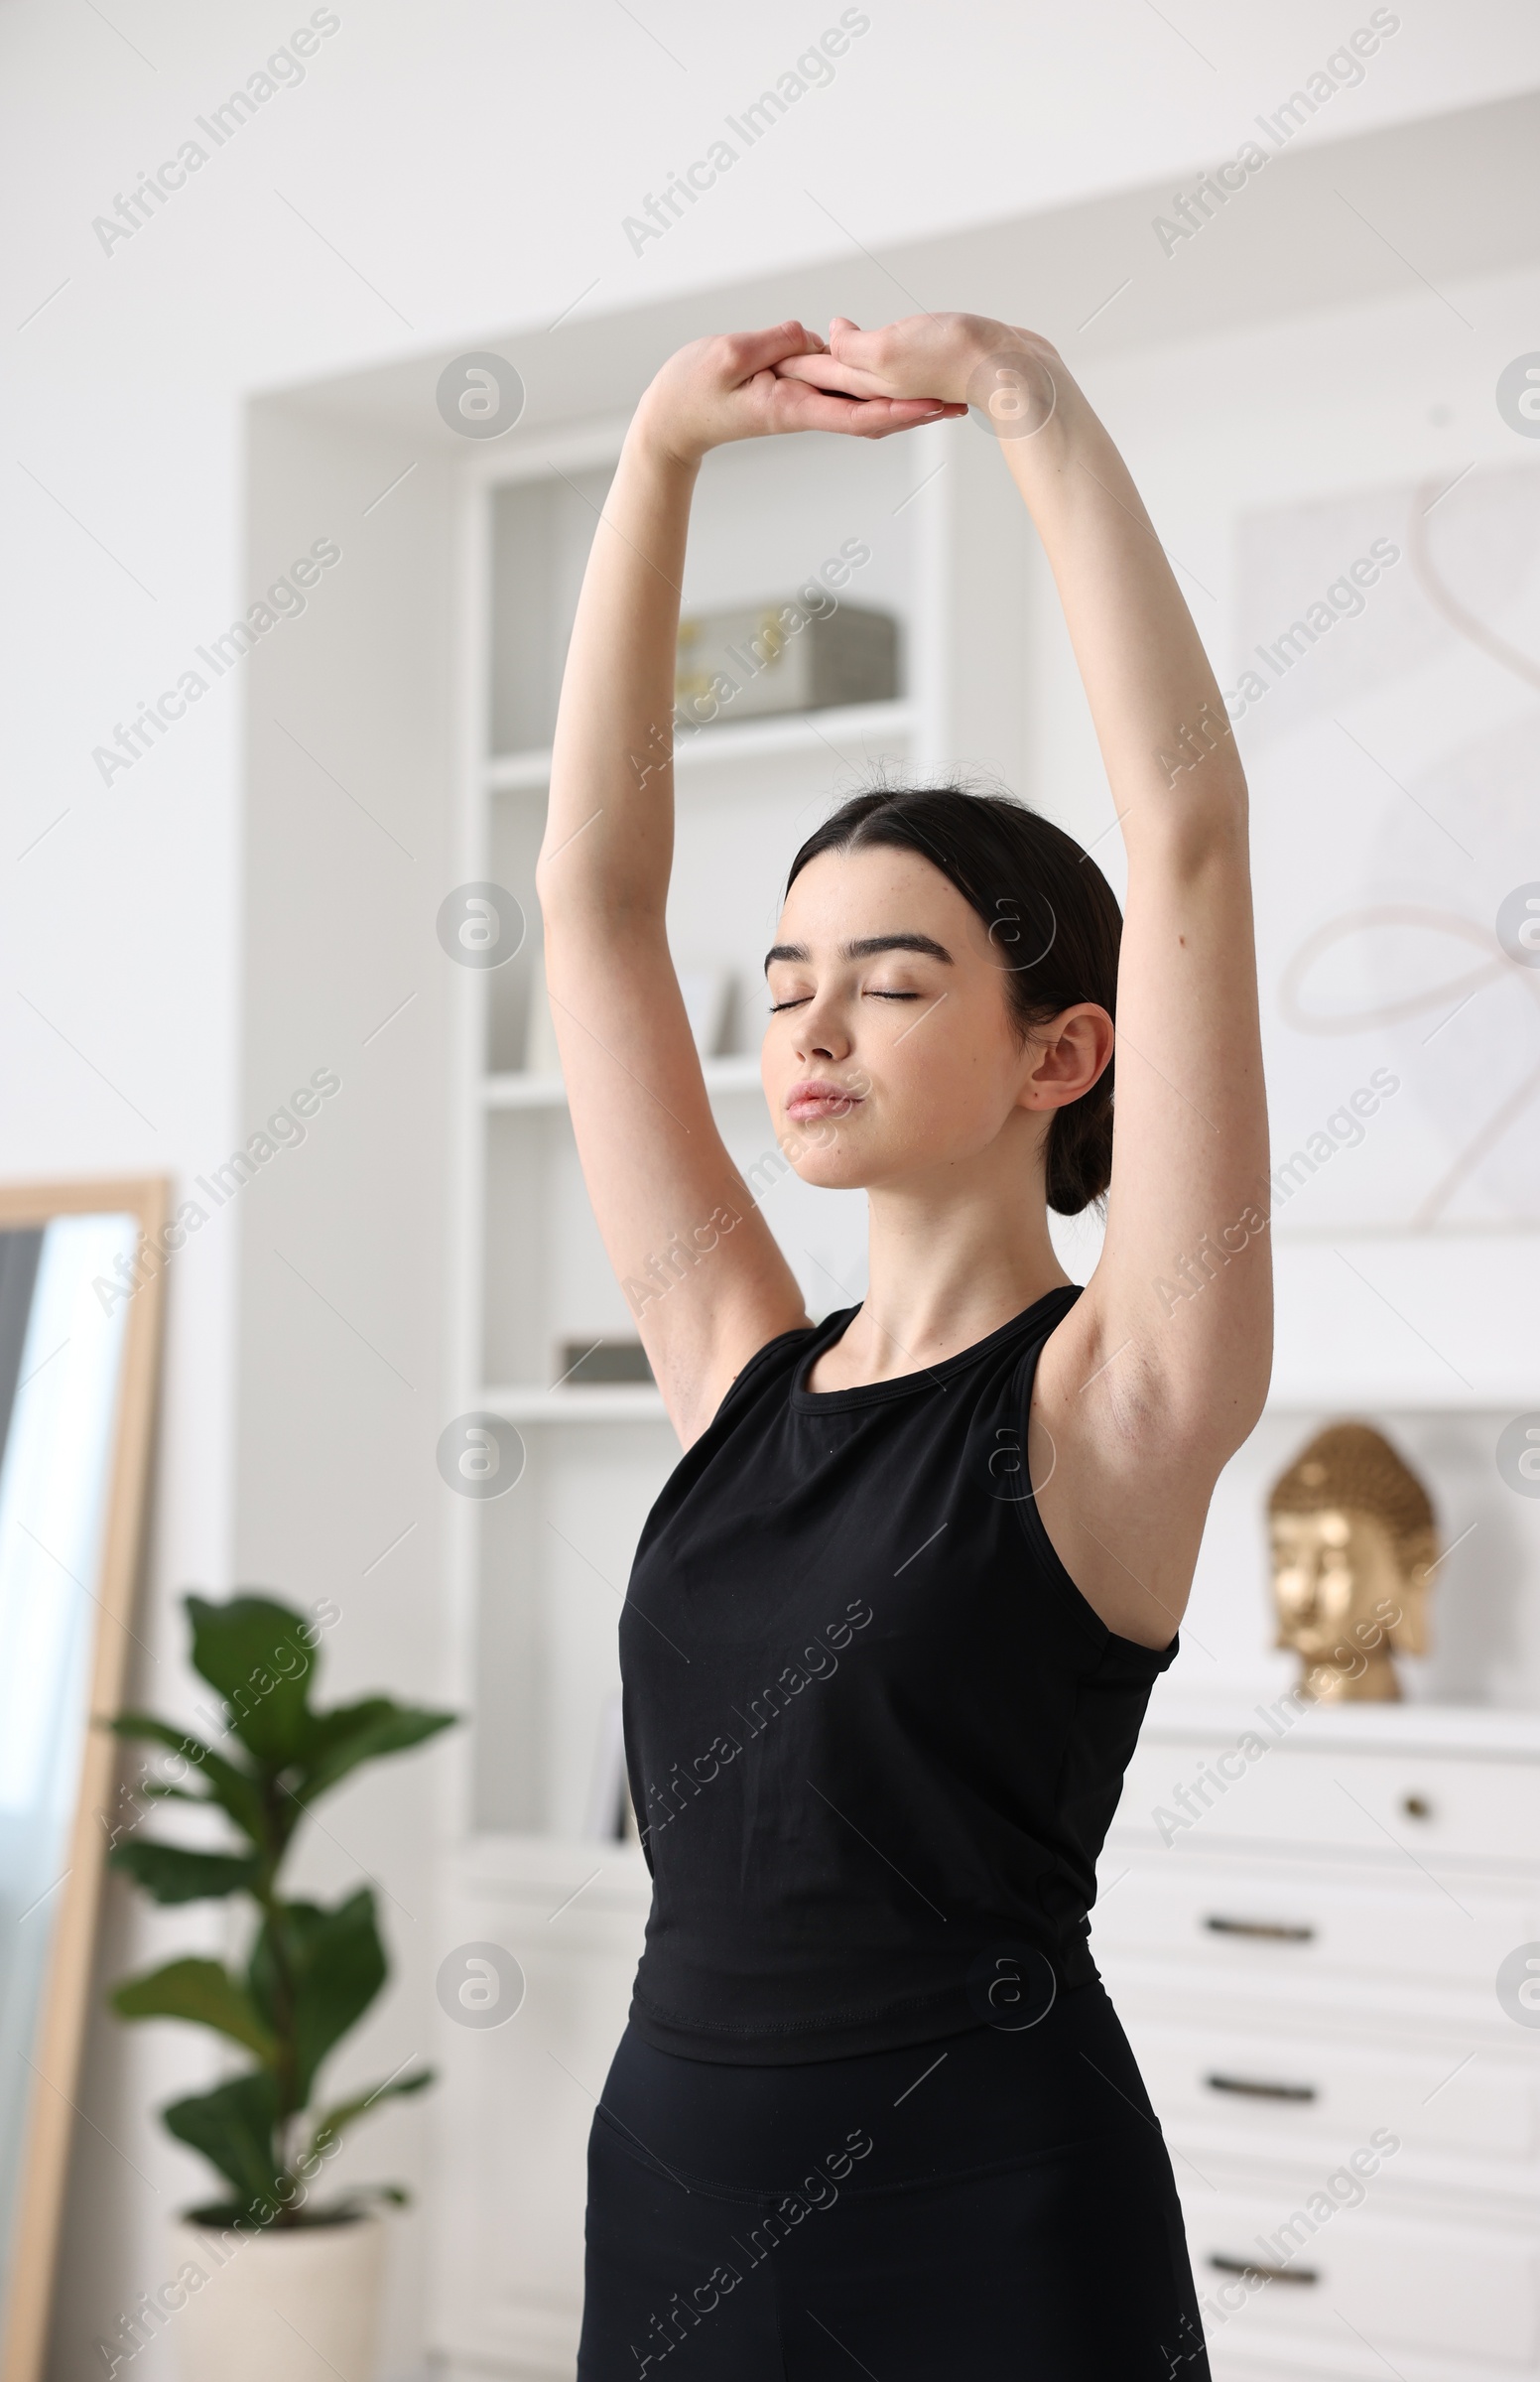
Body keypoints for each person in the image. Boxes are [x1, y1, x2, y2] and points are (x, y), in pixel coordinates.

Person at [540, 313, 1270, 2379]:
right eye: (783, 989)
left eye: (885, 981)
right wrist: (659, 458)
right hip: (669, 2176)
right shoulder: (736, 1372)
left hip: (984, 2207)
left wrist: (1033, 405)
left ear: (1061, 1048)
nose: (810, 1032)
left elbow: (1189, 839)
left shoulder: (1122, 1395)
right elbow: (589, 905)